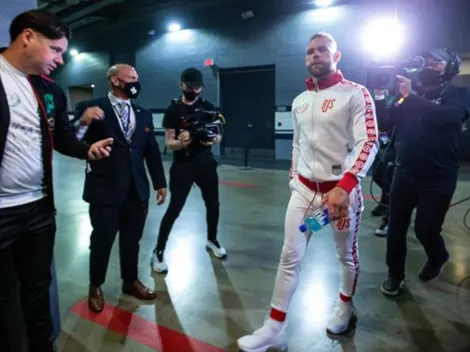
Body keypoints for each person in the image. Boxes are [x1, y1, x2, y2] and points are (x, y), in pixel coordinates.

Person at [237, 32, 379, 351]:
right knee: (289, 256)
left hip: (340, 197)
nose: (316, 55)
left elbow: (368, 141)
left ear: (336, 56)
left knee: (346, 256)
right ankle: (274, 328)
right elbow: (298, 145)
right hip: (304, 193)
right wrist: (293, 181)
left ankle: (345, 305)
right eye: (310, 51)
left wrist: (345, 187)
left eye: (323, 50)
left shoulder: (356, 94)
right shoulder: (300, 101)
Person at [0, 9, 113, 352]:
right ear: (28, 37)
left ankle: (41, 345)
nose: (61, 60)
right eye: (56, 50)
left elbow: (62, 137)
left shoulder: (50, 91)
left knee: (37, 287)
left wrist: (85, 151)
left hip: (37, 209)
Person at [73, 64, 167, 312]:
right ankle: (95, 285)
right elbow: (71, 140)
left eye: (138, 77)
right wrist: (82, 122)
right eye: (132, 78)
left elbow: (151, 150)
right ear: (115, 80)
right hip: (104, 188)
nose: (137, 82)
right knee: (102, 239)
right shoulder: (92, 108)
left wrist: (160, 182)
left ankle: (130, 281)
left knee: (131, 240)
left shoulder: (143, 113)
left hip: (137, 189)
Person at [378, 49, 470, 296]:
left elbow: (446, 117)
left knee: (425, 229)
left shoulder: (456, 95)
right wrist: (384, 96)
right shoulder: (409, 97)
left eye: (437, 61)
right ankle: (395, 274)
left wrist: (410, 98)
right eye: (427, 60)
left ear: (449, 68)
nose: (430, 64)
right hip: (404, 173)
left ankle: (438, 256)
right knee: (396, 227)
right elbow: (387, 121)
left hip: (438, 179)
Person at [151, 67, 226, 273]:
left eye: (197, 87)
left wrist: (211, 138)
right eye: (190, 87)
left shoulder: (208, 107)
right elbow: (169, 142)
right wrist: (183, 142)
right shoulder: (173, 109)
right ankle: (158, 250)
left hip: (206, 162)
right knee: (175, 208)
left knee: (213, 204)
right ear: (181, 85)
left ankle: (212, 239)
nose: (194, 91)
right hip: (183, 165)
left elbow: (218, 137)